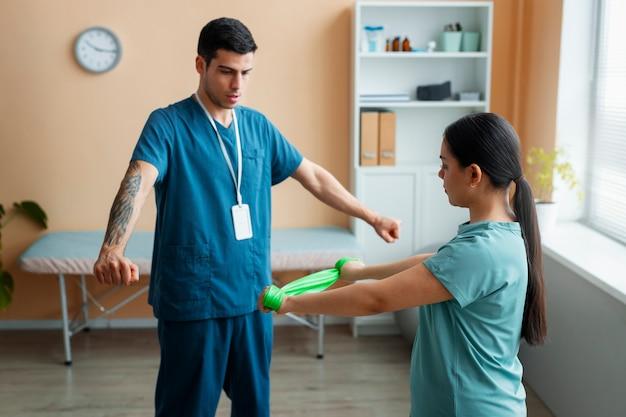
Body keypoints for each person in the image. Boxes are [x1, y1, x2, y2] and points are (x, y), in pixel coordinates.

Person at [93, 17, 399, 417]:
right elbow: (138, 180)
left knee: (255, 407)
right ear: (200, 65)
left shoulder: (257, 128)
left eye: (245, 73)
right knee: (186, 408)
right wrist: (113, 247)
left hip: (254, 297)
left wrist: (371, 215)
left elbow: (315, 177)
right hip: (193, 300)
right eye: (226, 72)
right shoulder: (167, 124)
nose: (237, 85)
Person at [260, 112, 547, 417]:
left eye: (445, 165)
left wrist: (291, 303)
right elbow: (435, 263)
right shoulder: (499, 236)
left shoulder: (481, 251)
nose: (440, 174)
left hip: (469, 408)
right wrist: (362, 272)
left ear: (474, 175)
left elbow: (376, 299)